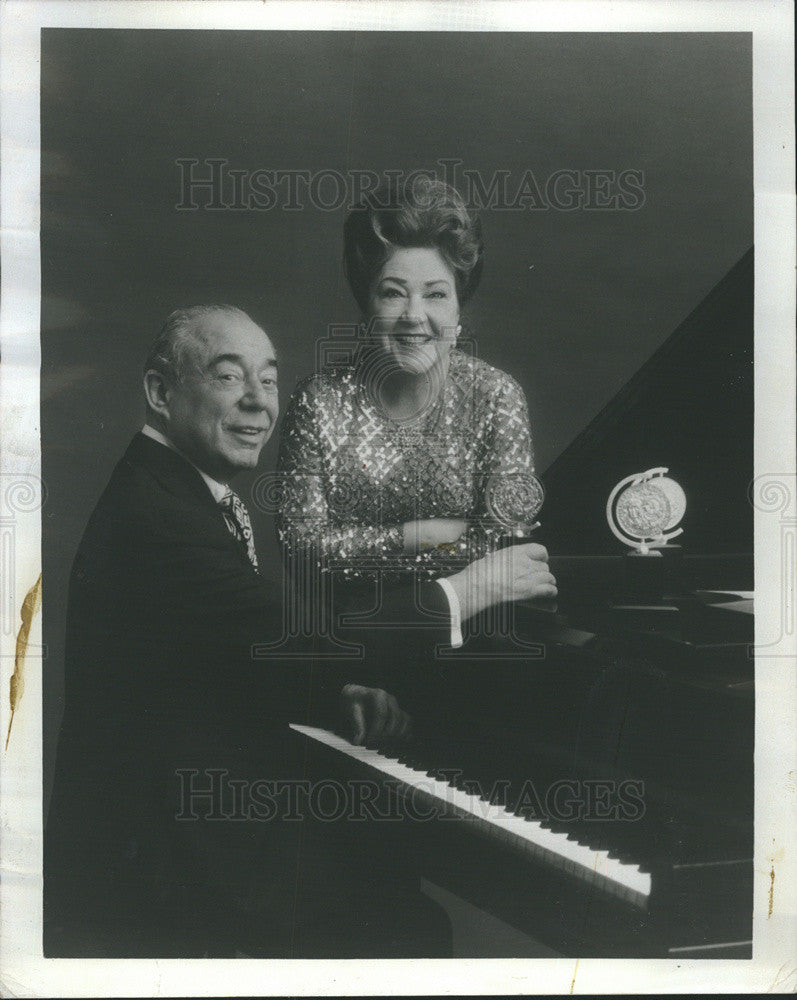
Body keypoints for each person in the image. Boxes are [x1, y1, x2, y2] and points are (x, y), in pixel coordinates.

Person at [45, 304, 557, 958]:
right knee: (402, 920)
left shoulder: (173, 490)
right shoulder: (159, 521)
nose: (259, 403)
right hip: (164, 864)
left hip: (176, 819)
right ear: (159, 392)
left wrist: (325, 694)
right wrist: (474, 587)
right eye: (229, 378)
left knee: (390, 886)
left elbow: (223, 657)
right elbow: (304, 641)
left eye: (268, 379)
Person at [276, 176, 536, 587]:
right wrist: (420, 536)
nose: (414, 315)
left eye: (435, 295)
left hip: (472, 639)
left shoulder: (495, 397)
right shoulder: (318, 399)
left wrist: (355, 549)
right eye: (394, 293)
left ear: (457, 310)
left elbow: (505, 547)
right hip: (345, 637)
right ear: (367, 307)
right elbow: (302, 555)